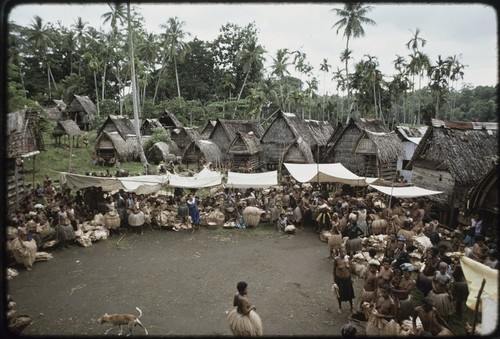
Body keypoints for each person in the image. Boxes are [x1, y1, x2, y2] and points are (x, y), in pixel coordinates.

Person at [332, 245, 355, 314]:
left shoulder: (347, 258)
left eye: (344, 251)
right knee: (339, 294)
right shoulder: (336, 259)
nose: (343, 253)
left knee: (350, 293)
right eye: (342, 251)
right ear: (339, 252)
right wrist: (334, 281)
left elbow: (349, 269)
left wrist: (351, 278)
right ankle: (340, 307)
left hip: (347, 279)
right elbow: (334, 270)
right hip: (340, 279)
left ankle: (351, 307)